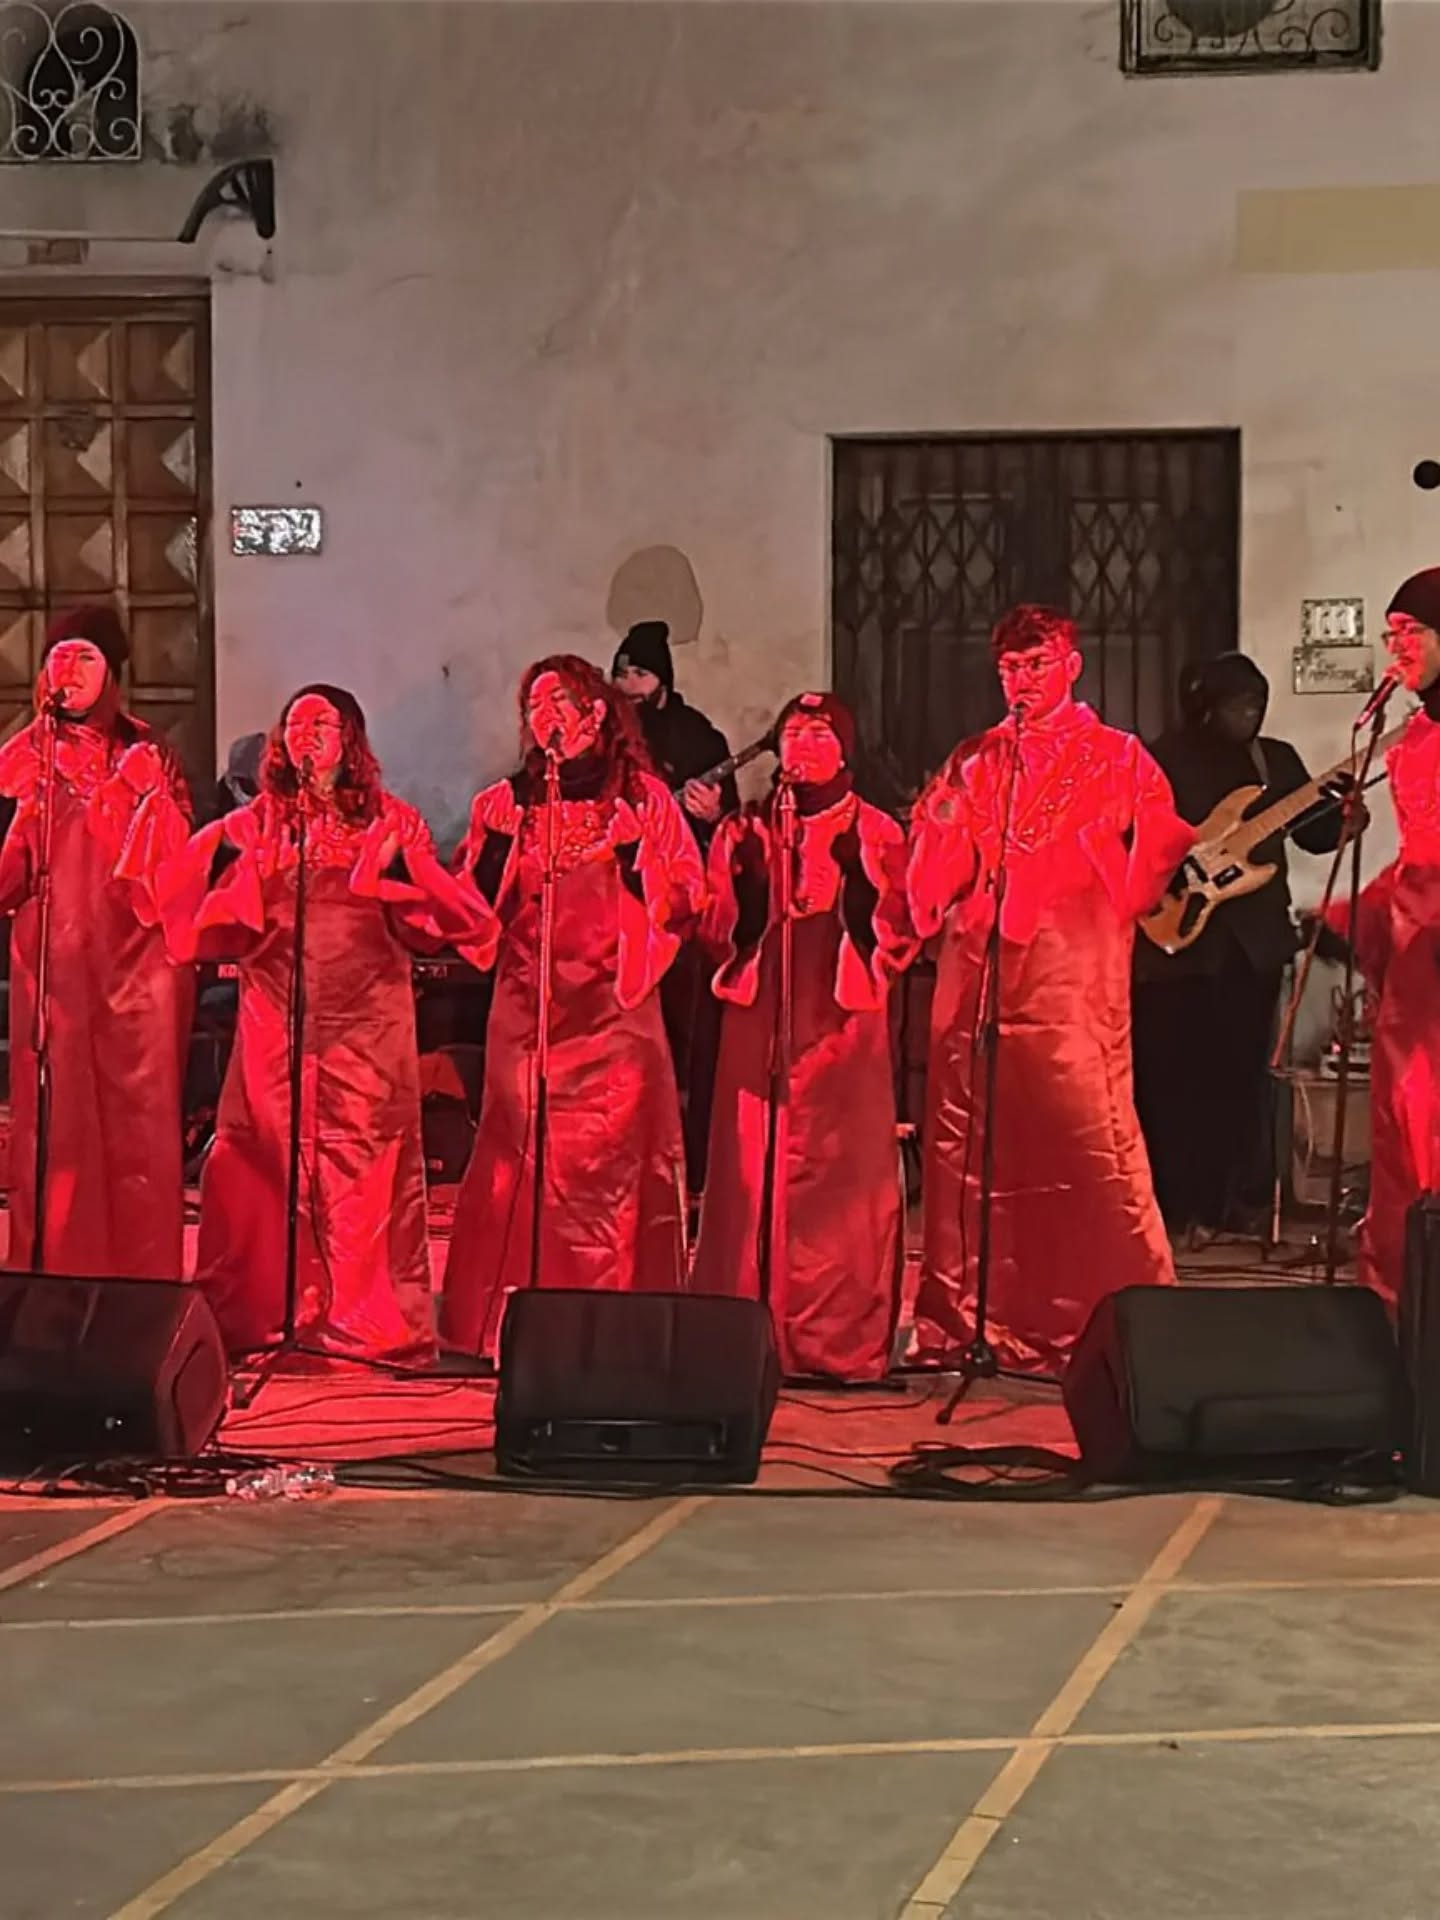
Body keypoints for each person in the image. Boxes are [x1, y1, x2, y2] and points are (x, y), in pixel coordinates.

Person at [159, 684, 496, 1361]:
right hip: (276, 1021)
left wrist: (399, 872)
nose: (306, 733)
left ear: (350, 740)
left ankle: (361, 1320)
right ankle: (268, 1312)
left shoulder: (390, 820)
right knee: (264, 1161)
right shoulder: (259, 822)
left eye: (322, 721)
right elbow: (193, 904)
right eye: (295, 722)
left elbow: (429, 926)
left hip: (367, 1026)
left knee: (362, 1172)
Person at [907, 604, 1195, 1376]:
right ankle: (969, 1317)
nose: (1022, 681)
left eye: (1037, 664)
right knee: (973, 1146)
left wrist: (1106, 866)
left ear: (1071, 666)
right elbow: (935, 864)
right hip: (981, 972)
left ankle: (1110, 1315)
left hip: (1072, 977)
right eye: (1010, 668)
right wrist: (940, 842)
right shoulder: (976, 759)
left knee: (1084, 1135)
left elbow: (1159, 849)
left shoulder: (1118, 756)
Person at [440, 654, 704, 1361]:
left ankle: (609, 1330)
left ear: (597, 714)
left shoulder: (644, 800)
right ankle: (514, 1325)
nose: (546, 716)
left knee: (609, 1178)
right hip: (528, 1015)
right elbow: (469, 916)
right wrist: (498, 846)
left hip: (614, 1017)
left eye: (560, 702)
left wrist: (635, 858)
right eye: (535, 705)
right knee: (521, 1164)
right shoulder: (505, 802)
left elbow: (687, 901)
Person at [691, 692, 918, 1381]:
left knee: (838, 1174)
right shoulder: (745, 830)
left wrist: (858, 892)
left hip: (841, 1020)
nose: (804, 745)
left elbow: (903, 930)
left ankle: (833, 1336)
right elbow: (713, 929)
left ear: (846, 749)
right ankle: (741, 1328)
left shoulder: (877, 830)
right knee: (750, 1164)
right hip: (761, 1016)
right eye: (792, 733)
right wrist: (750, 890)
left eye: (820, 733)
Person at [0, 604, 193, 1277]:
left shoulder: (151, 753)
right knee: (58, 1124)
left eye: (86, 657)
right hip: (53, 970)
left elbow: (174, 871)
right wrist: (23, 820)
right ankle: (53, 1277)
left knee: (139, 1124)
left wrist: (138, 796)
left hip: (139, 972)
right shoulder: (19, 761)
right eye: (59, 657)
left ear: (113, 673)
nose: (70, 670)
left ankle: (138, 1283)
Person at [1132, 654, 1349, 1238]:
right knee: (1170, 1080)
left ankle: (1230, 1202)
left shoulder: (1275, 761)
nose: (1249, 714)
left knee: (1240, 1079)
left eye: (1257, 703)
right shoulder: (1157, 760)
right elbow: (1130, 840)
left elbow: (1316, 834)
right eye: (1236, 704)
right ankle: (1171, 1204)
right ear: (1203, 706)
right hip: (1175, 948)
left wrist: (1343, 819)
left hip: (1252, 947)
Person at [1329, 568, 1440, 1305]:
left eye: (1411, 633)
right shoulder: (1411, 740)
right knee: (1406, 1122)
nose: (1397, 649)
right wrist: (1359, 912)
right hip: (1417, 964)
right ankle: (1405, 1301)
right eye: (1390, 635)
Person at [612, 620, 740, 1200]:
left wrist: (711, 818)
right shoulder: (610, 740)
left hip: (681, 917)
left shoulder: (699, 739)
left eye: (639, 673)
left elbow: (731, 837)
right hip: (620, 912)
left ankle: (687, 1164)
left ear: (662, 680)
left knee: (683, 1043)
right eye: (621, 673)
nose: (628, 685)